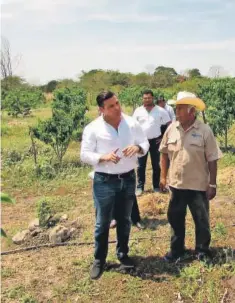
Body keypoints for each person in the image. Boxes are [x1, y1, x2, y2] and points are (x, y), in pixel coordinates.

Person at [80, 91, 149, 280]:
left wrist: (138, 148)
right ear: (101, 109)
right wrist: (102, 157)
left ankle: (122, 254)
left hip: (128, 179)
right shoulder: (93, 128)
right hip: (104, 180)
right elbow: (84, 154)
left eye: (117, 103)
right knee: (102, 223)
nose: (117, 107)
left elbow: (144, 142)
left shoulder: (131, 123)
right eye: (111, 106)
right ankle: (99, 260)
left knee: (125, 220)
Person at [159, 91, 222, 262]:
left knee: (201, 220)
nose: (176, 112)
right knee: (175, 219)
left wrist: (213, 184)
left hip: (198, 186)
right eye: (176, 108)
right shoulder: (171, 128)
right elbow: (164, 154)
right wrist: (163, 177)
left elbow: (212, 159)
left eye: (180, 109)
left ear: (191, 111)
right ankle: (176, 250)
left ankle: (202, 250)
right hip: (176, 185)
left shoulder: (204, 130)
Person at [133, 90, 171, 196]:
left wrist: (163, 137)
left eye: (149, 98)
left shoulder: (160, 110)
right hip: (142, 142)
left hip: (156, 141)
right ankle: (140, 187)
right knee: (141, 165)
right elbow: (133, 126)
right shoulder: (138, 111)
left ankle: (156, 186)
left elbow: (169, 124)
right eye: (145, 98)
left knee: (156, 165)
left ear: (152, 98)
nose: (147, 100)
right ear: (142, 99)